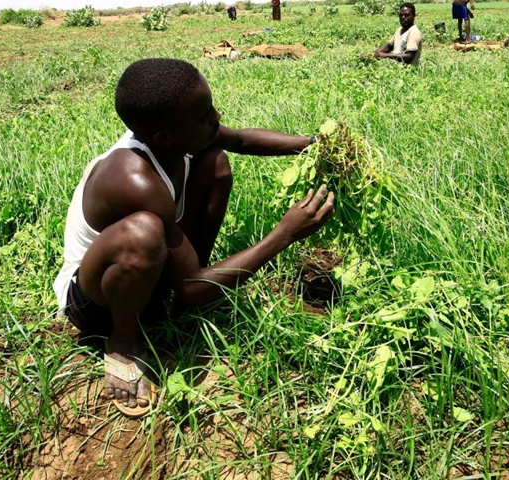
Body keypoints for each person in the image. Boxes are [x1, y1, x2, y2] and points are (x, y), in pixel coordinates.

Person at [53, 58, 335, 418]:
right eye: (204, 115)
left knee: (216, 161)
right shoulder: (133, 178)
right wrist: (284, 234)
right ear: (164, 138)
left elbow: (244, 139)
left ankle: (197, 272)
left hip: (151, 276)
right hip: (97, 300)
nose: (216, 117)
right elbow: (189, 286)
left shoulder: (182, 133)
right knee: (144, 232)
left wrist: (314, 144)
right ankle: (124, 341)